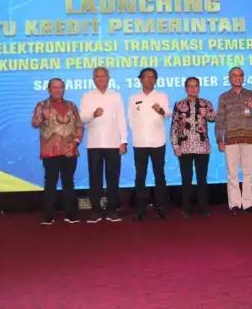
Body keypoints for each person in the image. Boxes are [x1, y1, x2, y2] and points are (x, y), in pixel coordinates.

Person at [31, 78, 84, 225]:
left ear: (64, 89)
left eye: (60, 87)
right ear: (49, 90)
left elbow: (79, 126)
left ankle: (71, 214)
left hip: (70, 150)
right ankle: (49, 215)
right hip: (50, 151)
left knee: (68, 182)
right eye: (54, 87)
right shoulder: (42, 105)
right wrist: (42, 115)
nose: (58, 90)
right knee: (50, 182)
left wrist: (75, 142)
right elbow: (34, 123)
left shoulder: (72, 106)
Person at [79, 67, 128, 223]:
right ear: (93, 79)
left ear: (108, 78)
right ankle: (96, 211)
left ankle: (112, 210)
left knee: (113, 178)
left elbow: (121, 119)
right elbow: (81, 118)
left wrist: (123, 140)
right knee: (95, 178)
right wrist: (93, 114)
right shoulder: (87, 96)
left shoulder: (116, 95)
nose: (100, 79)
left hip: (113, 143)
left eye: (103, 76)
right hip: (94, 143)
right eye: (97, 76)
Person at [215, 67, 252, 215]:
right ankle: (235, 205)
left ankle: (248, 204)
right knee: (232, 173)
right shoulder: (224, 97)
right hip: (230, 140)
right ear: (229, 79)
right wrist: (219, 139)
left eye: (240, 75)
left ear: (244, 78)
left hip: (248, 138)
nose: (238, 78)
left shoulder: (251, 94)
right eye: (234, 75)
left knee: (249, 172)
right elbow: (220, 119)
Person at [128, 68, 172, 220]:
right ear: (141, 79)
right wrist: (138, 133)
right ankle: (140, 209)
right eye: (146, 77)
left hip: (158, 141)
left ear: (156, 80)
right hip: (140, 142)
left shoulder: (162, 96)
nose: (149, 79)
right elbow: (131, 119)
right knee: (140, 176)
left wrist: (160, 110)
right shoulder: (134, 98)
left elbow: (168, 113)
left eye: (152, 77)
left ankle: (161, 207)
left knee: (159, 175)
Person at [170, 77, 217, 217]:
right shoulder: (179, 104)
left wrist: (206, 114)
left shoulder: (206, 103)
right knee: (186, 179)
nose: (193, 88)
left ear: (199, 87)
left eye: (195, 86)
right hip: (184, 147)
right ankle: (187, 208)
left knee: (202, 179)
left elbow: (214, 118)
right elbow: (174, 126)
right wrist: (175, 145)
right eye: (190, 86)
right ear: (186, 88)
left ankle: (203, 208)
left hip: (202, 147)